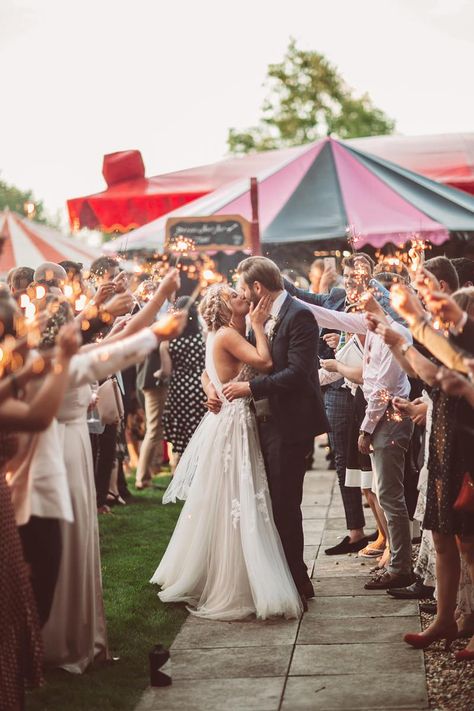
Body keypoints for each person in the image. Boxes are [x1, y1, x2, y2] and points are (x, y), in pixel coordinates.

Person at [151, 283, 303, 620]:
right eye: (235, 295)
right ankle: (237, 578)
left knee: (229, 495)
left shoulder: (224, 333)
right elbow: (263, 363)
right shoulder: (230, 334)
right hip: (235, 421)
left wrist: (211, 387)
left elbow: (208, 371)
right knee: (239, 494)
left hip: (231, 417)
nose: (243, 295)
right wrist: (261, 327)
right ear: (223, 307)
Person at [223, 256, 329, 602]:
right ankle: (282, 576)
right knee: (270, 504)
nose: (241, 294)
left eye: (243, 288)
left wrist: (250, 389)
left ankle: (298, 582)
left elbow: (298, 373)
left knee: (285, 504)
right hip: (264, 423)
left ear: (257, 287)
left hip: (290, 424)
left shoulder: (299, 315)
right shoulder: (259, 317)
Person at [160, 297, 206, 472]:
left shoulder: (168, 341)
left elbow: (166, 371)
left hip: (180, 389)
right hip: (201, 386)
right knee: (199, 427)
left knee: (183, 427)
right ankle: (199, 469)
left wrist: (159, 374)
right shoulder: (203, 336)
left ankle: (178, 470)